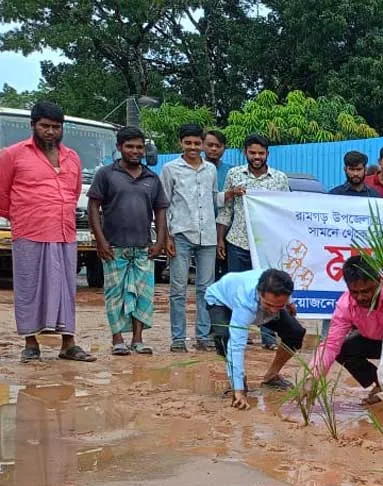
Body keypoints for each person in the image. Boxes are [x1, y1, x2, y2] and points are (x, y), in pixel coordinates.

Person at [0, 101, 96, 363]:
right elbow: (2, 195)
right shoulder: (13, 154)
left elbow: (74, 192)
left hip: (65, 232)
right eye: (45, 126)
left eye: (56, 127)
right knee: (29, 287)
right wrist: (23, 215)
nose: (51, 132)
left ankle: (69, 344)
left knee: (67, 288)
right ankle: (31, 344)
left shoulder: (72, 157)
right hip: (29, 231)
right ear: (33, 126)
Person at [86, 126, 169, 356]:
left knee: (142, 295)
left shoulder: (152, 178)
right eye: (130, 146)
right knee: (115, 294)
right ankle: (117, 340)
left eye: (139, 147)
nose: (135, 151)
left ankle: (138, 339)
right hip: (114, 246)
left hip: (143, 247)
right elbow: (94, 207)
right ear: (119, 148)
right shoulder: (106, 174)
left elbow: (160, 210)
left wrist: (160, 240)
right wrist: (100, 240)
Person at [218, 134, 291, 350]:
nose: (257, 157)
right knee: (238, 289)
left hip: (267, 244)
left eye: (261, 153)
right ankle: (239, 334)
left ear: (267, 153)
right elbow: (226, 210)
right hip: (238, 241)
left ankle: (268, 338)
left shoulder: (279, 178)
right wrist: (220, 238)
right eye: (252, 152)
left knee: (271, 290)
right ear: (245, 153)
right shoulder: (234, 175)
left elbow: (285, 209)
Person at [310, 255, 383, 405]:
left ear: (378, 281)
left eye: (367, 290)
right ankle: (381, 384)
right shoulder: (345, 306)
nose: (362, 297)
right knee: (343, 349)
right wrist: (312, 377)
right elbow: (331, 344)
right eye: (355, 292)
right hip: (375, 342)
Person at [206, 268, 305, 410]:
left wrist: (289, 304)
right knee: (225, 338)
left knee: (295, 332)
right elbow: (236, 346)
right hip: (221, 301)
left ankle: (272, 376)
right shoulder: (244, 302)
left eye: (279, 305)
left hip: (260, 304)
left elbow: (280, 298)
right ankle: (239, 380)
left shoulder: (279, 285)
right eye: (269, 305)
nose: (273, 311)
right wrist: (238, 390)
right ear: (259, 293)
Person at [162, 123, 222, 353]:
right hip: (180, 234)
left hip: (207, 235)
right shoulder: (170, 169)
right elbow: (164, 204)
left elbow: (214, 199)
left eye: (197, 143)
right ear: (181, 143)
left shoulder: (211, 170)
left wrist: (233, 195)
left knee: (206, 289)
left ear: (203, 144)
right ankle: (178, 338)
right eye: (188, 143)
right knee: (178, 288)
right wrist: (166, 236)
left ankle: (203, 337)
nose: (193, 147)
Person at [205, 130, 231, 280]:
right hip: (204, 232)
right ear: (203, 145)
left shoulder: (232, 171)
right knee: (208, 277)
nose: (214, 149)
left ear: (224, 148)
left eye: (218, 145)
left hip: (229, 232)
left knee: (229, 276)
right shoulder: (195, 170)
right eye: (210, 145)